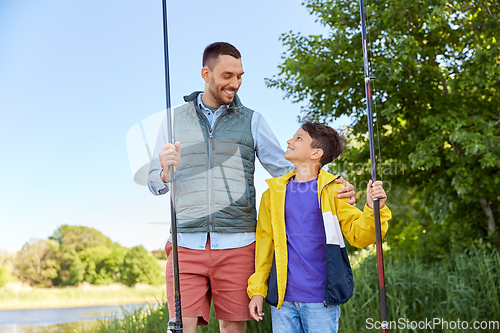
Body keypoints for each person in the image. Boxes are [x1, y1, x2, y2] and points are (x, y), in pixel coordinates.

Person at [148, 42, 356, 333]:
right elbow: (153, 183)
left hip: (239, 244)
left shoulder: (253, 120)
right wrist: (164, 173)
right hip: (186, 243)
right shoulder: (172, 119)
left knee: (233, 330)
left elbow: (292, 171)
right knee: (180, 329)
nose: (235, 84)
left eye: (240, 76)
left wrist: (333, 184)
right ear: (206, 74)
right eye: (227, 76)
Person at [247, 121, 392, 333]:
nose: (289, 141)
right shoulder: (273, 194)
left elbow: (359, 236)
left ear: (316, 153)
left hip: (320, 301)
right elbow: (264, 246)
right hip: (283, 302)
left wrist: (372, 208)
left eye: (298, 138)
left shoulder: (334, 191)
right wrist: (258, 290)